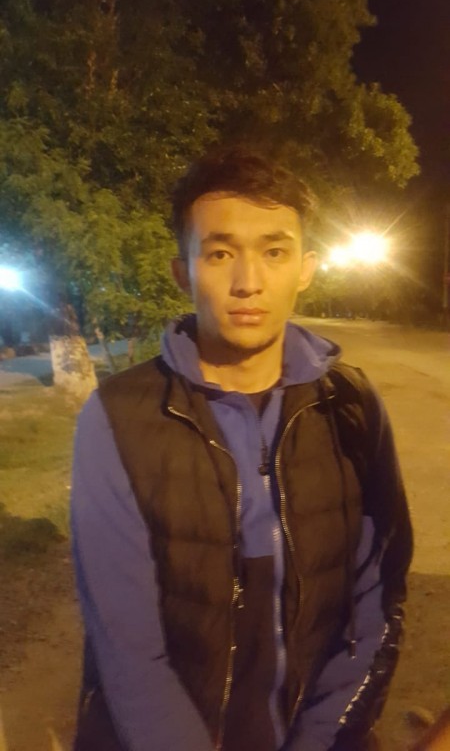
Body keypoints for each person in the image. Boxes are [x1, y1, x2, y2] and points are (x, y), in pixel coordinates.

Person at [71, 147, 413, 751]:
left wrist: (322, 740)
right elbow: (127, 647)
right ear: (183, 272)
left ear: (305, 268)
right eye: (221, 253)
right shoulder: (119, 415)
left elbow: (377, 598)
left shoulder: (352, 405)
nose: (248, 282)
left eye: (274, 252)